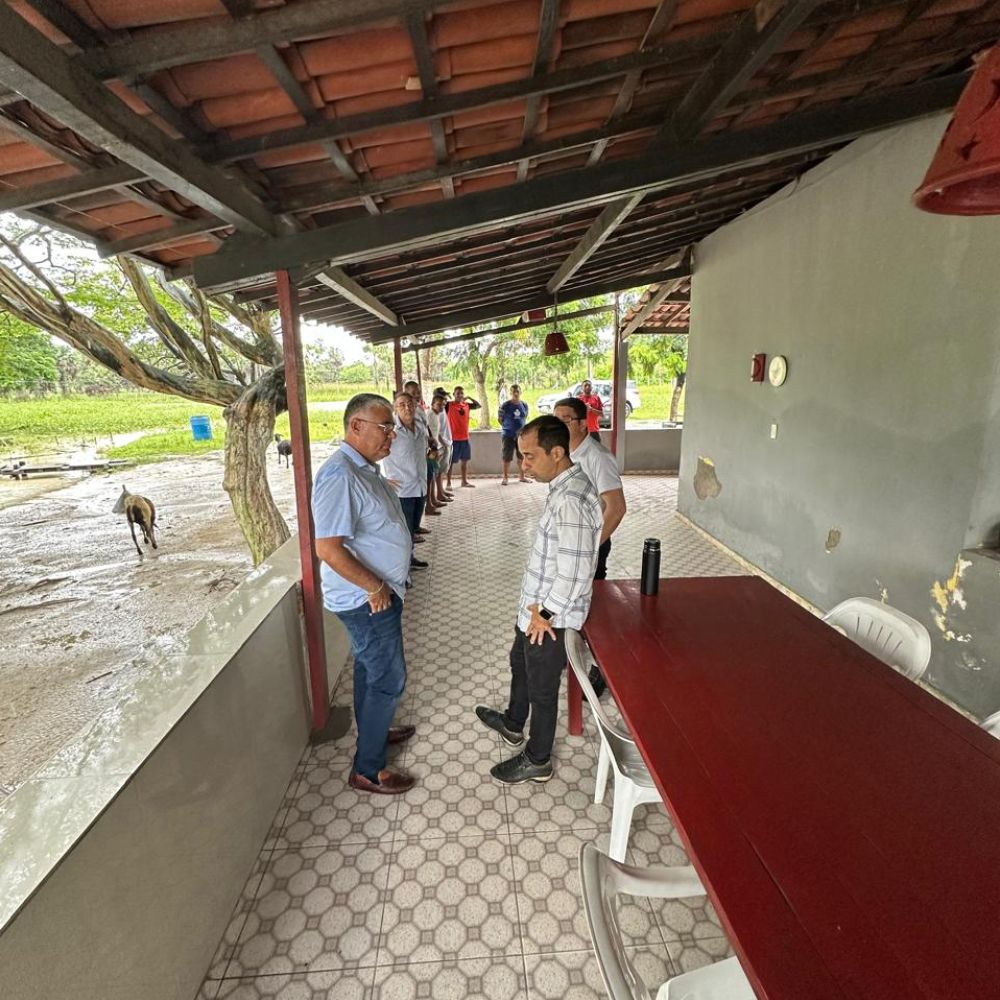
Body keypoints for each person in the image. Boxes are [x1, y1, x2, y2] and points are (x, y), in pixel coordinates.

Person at [475, 415, 602, 784]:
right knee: (520, 662)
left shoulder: (571, 500)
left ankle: (538, 759)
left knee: (543, 690)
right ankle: (514, 723)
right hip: (536, 611)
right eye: (521, 456)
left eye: (530, 456)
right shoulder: (563, 487)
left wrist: (545, 613)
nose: (524, 465)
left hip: (550, 619)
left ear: (557, 453)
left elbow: (575, 572)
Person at [312, 393, 416, 795]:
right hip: (367, 598)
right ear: (356, 426)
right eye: (385, 427)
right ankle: (368, 770)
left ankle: (376, 728)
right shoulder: (340, 475)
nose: (392, 435)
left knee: (369, 669)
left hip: (378, 593)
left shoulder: (364, 468)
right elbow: (328, 548)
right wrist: (374, 585)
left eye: (392, 428)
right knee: (389, 677)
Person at [553, 396, 628, 697]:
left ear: (584, 424)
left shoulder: (597, 457)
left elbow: (616, 507)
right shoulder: (563, 453)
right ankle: (567, 652)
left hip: (589, 545)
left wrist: (591, 547)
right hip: (569, 543)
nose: (558, 425)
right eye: (555, 419)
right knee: (569, 600)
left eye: (566, 420)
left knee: (591, 607)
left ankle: (602, 669)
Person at [382, 391, 429, 570]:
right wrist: (382, 479)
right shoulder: (390, 431)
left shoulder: (420, 425)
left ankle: (409, 558)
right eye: (401, 405)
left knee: (413, 528)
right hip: (402, 491)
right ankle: (401, 569)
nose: (407, 408)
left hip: (420, 486)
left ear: (415, 406)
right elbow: (371, 454)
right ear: (395, 408)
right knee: (403, 531)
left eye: (410, 404)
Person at [445, 385, 481, 489]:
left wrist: (469, 397)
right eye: (458, 393)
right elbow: (438, 403)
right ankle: (448, 483)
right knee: (450, 463)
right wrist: (445, 396)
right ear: (454, 394)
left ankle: (464, 481)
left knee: (464, 462)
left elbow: (478, 405)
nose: (460, 395)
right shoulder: (449, 405)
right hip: (453, 439)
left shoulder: (467, 405)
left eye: (462, 393)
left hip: (465, 438)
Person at [497, 383, 530, 485]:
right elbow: (500, 419)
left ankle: (522, 477)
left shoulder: (524, 405)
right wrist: (508, 428)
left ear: (520, 392)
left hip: (521, 436)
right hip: (508, 435)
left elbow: (524, 418)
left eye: (517, 391)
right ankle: (505, 478)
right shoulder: (505, 405)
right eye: (513, 391)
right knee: (507, 457)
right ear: (510, 393)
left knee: (521, 457)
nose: (516, 393)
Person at [431, 392, 454, 503]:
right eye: (439, 404)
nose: (442, 406)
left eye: (443, 404)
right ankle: (436, 496)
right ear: (433, 404)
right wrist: (442, 444)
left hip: (443, 444)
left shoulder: (438, 413)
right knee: (435, 473)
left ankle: (440, 492)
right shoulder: (431, 415)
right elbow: (433, 433)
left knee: (440, 472)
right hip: (437, 447)